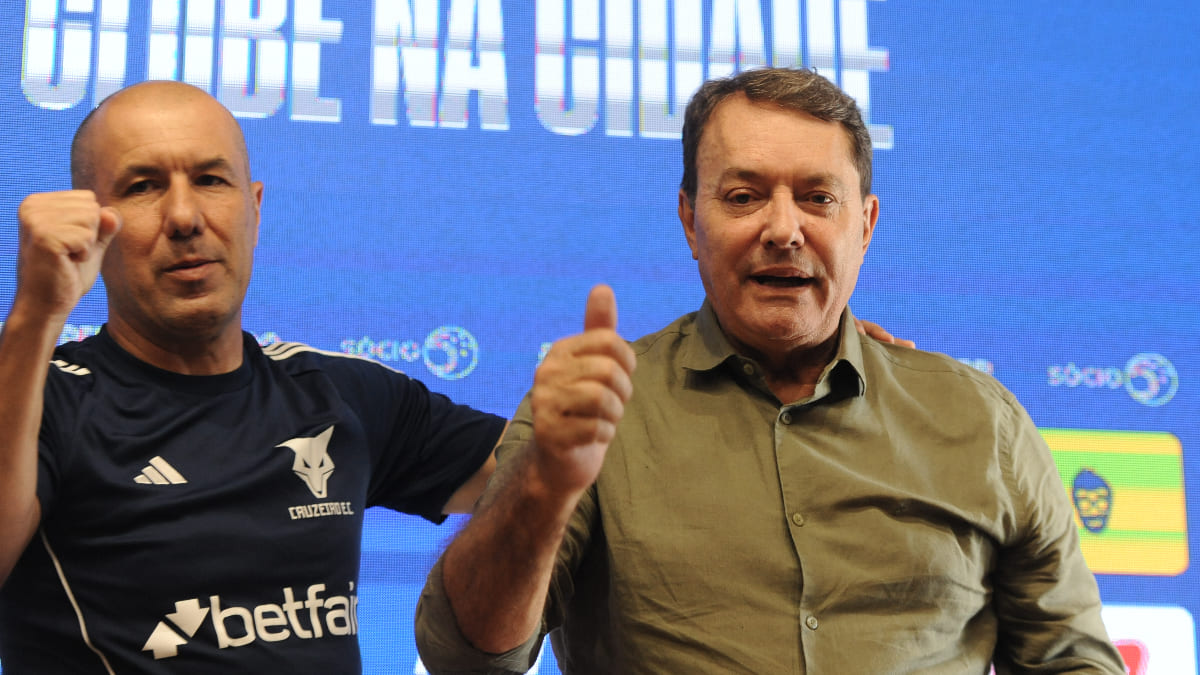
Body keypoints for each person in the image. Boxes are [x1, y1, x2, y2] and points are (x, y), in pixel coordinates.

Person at [414, 68, 1126, 673]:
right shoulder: (594, 411)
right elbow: (464, 654)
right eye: (744, 195)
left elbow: (1074, 658)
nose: (783, 229)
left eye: (818, 197)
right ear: (691, 221)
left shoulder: (981, 420)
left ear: (866, 224)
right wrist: (542, 484)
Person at [0, 80, 506, 673]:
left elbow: (550, 478)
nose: (185, 217)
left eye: (211, 180)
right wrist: (37, 315)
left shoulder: (338, 395)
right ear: (91, 223)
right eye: (143, 187)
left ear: (255, 207)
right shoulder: (41, 398)